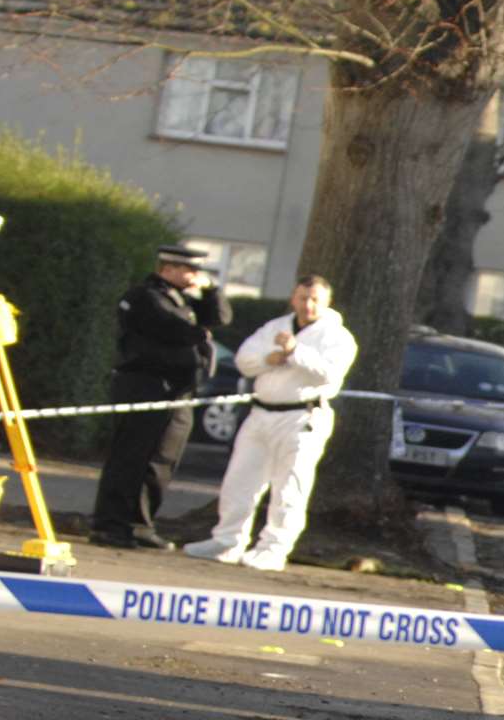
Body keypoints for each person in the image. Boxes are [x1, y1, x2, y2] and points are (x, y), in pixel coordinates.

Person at [184, 275, 357, 572]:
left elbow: (330, 374)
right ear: (293, 298)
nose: (308, 305)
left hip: (302, 416)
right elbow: (245, 360)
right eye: (303, 298)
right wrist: (271, 358)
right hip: (261, 413)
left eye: (315, 299)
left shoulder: (337, 336)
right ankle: (227, 540)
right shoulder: (275, 327)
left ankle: (274, 548)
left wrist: (295, 353)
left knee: (289, 485)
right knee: (240, 479)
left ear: (327, 302)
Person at [91, 244, 232, 549]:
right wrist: (199, 333)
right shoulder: (145, 296)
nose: (194, 276)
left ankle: (140, 524)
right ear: (167, 269)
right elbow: (175, 329)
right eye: (188, 270)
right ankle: (110, 524)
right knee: (131, 457)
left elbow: (221, 317)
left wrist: (211, 291)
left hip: (179, 390)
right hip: (146, 385)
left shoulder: (186, 298)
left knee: (162, 460)